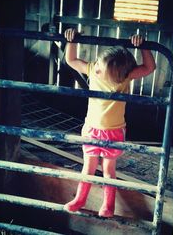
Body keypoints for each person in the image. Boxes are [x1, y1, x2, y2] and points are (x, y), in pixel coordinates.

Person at [63, 28, 156, 217]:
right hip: (91, 130)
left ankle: (108, 205)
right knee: (88, 168)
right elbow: (71, 60)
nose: (95, 67)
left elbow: (149, 68)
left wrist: (143, 46)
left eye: (100, 68)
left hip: (114, 132)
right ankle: (79, 199)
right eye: (97, 63)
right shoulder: (92, 68)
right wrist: (72, 40)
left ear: (117, 75)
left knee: (108, 170)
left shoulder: (125, 77)